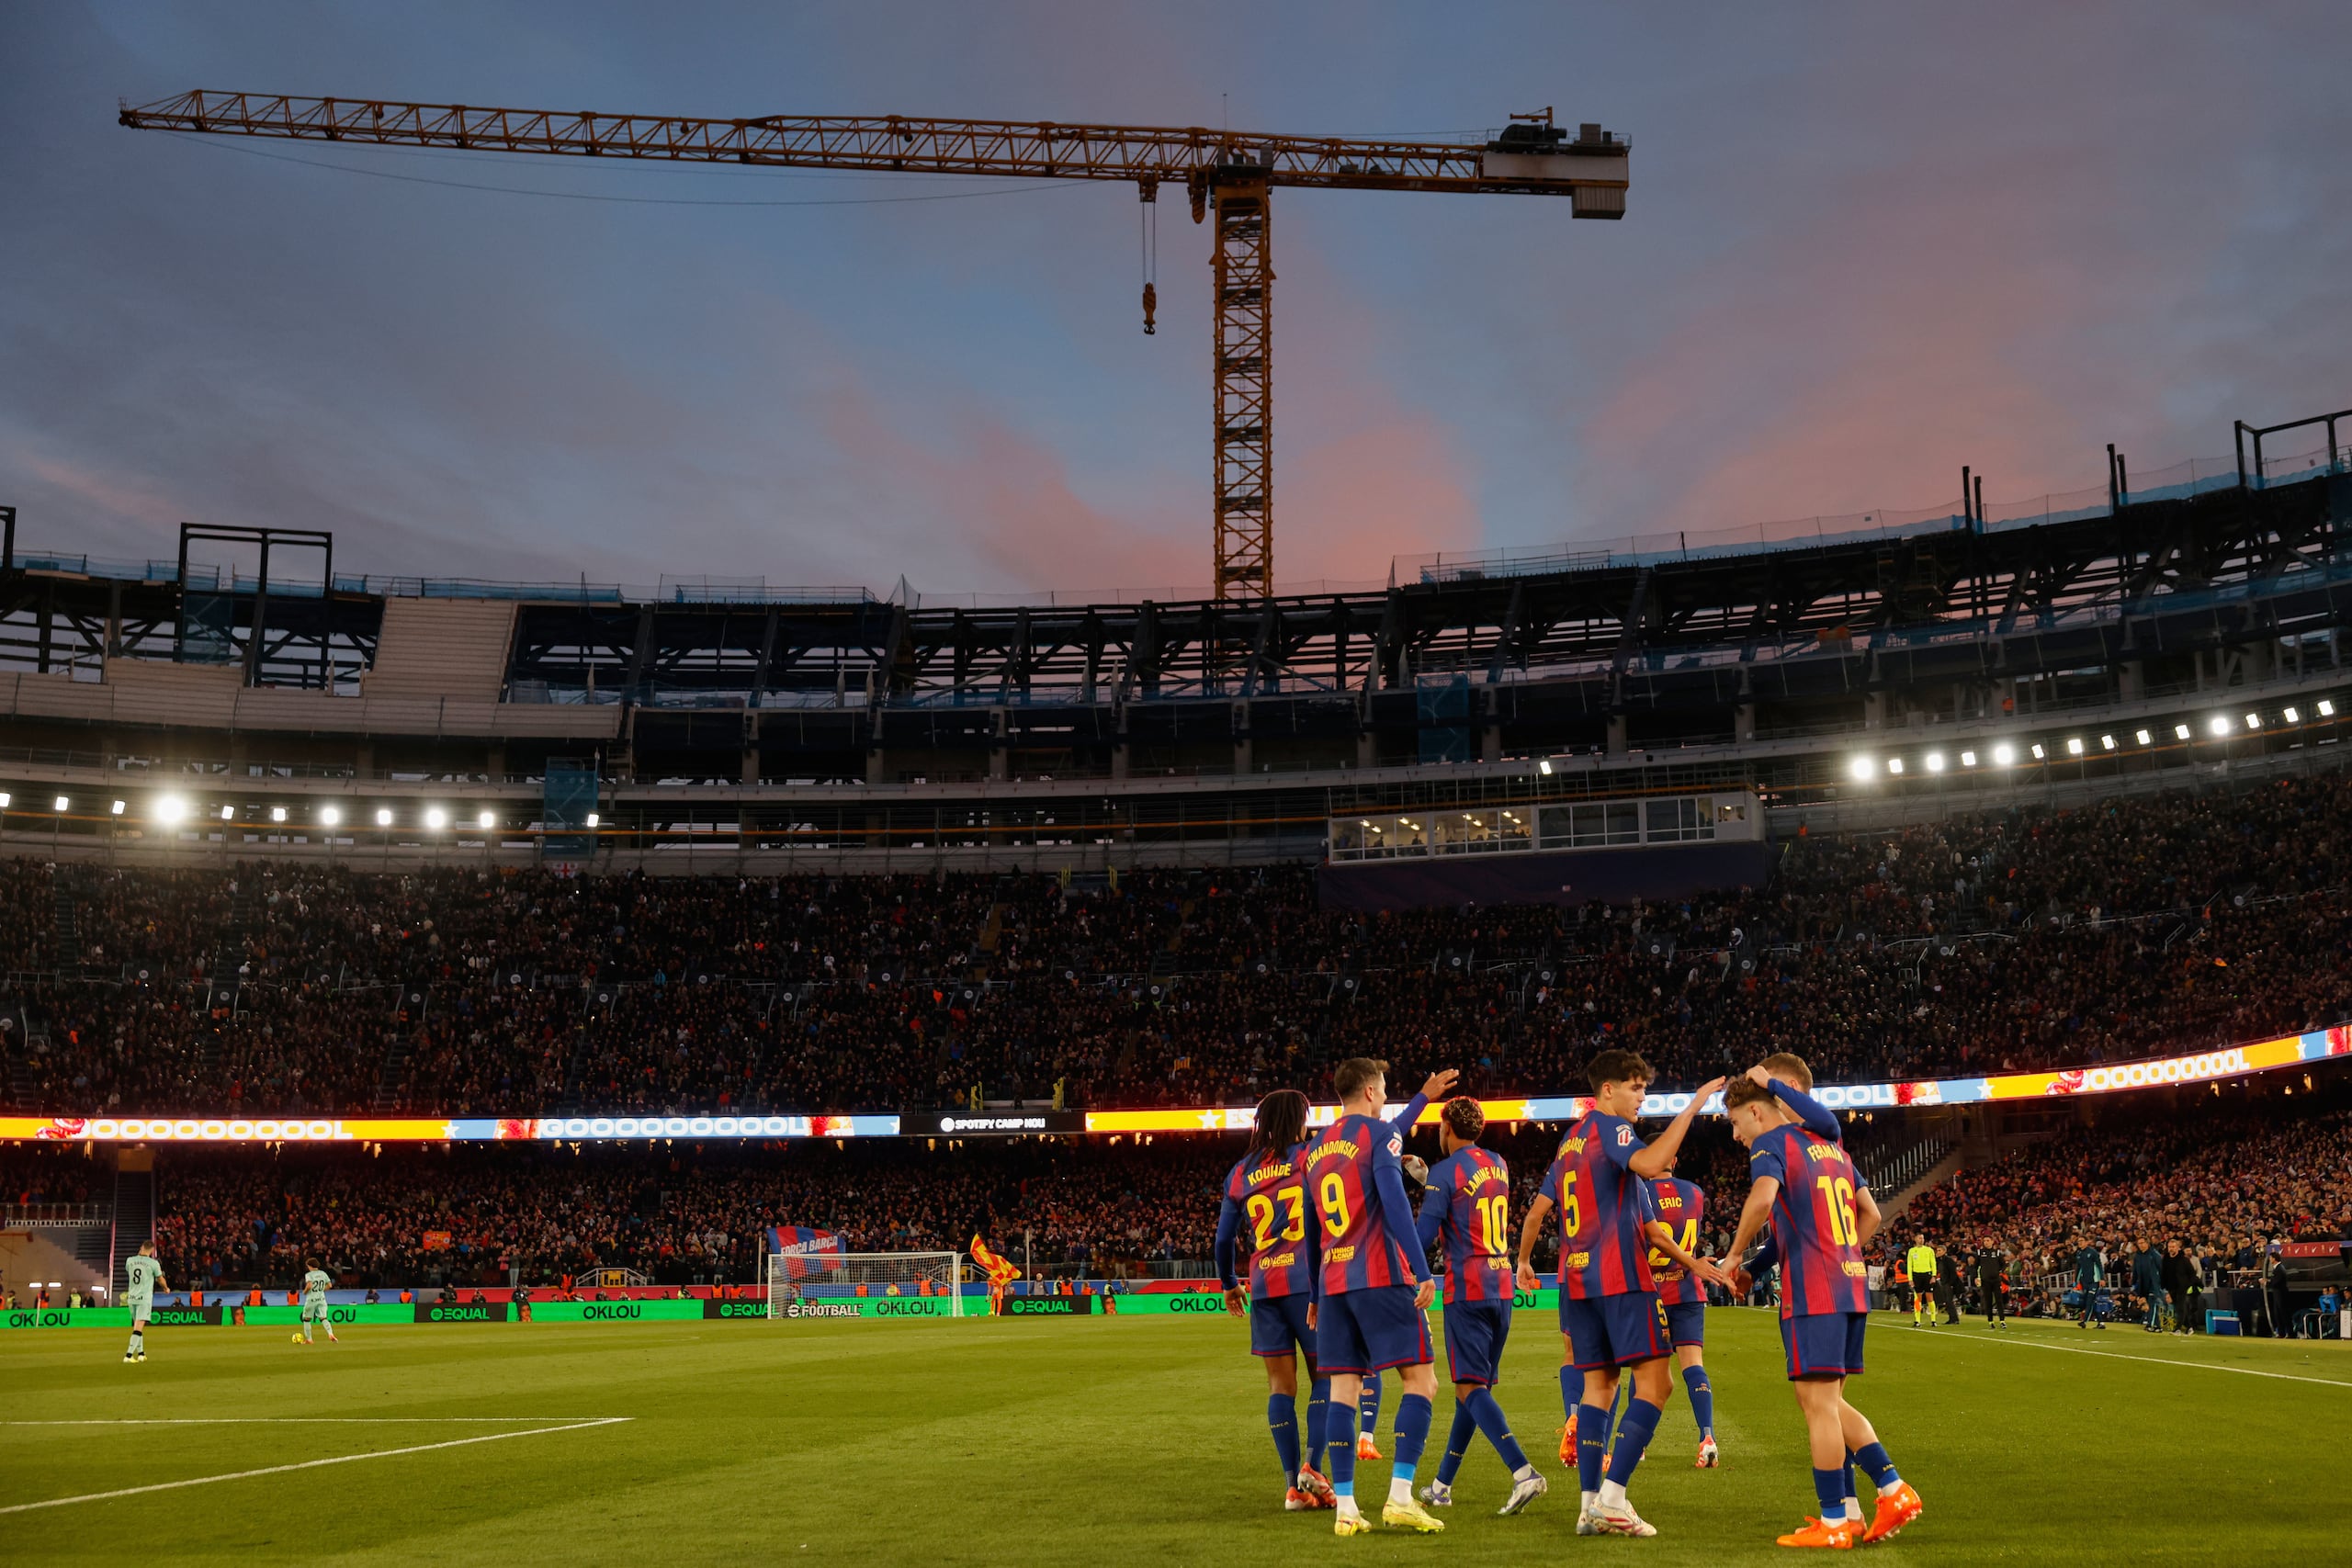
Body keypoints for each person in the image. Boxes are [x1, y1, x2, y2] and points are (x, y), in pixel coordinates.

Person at [1513, 1050, 1725, 1539]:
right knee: (1657, 1384)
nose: (1641, 1100)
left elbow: (1643, 1226)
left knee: (1599, 1389)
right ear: (1607, 1089)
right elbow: (1651, 1163)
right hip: (1621, 1279)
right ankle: (1613, 1497)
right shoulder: (1610, 1129)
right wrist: (1693, 1106)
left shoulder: (1569, 1143)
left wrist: (1524, 1262)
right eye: (1636, 1089)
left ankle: (1589, 1506)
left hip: (1579, 1283)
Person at [1715, 1071, 1924, 1549]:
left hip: (1814, 1292)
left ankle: (1862, 1508)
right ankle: (1850, 1513)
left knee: (1821, 1408)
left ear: (1755, 1110)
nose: (1735, 1133)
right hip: (1846, 1286)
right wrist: (1837, 1256)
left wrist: (1733, 1254)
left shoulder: (1771, 1145)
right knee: (1824, 1403)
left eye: (1734, 1121)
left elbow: (1764, 1199)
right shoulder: (1833, 1150)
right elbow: (1868, 1214)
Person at [1301, 1055, 1447, 1535]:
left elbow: (1309, 1228)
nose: (1387, 1098)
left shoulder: (1318, 1147)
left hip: (1333, 1282)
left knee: (1343, 1389)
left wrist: (1317, 1294)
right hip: (1382, 1277)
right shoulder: (1377, 1136)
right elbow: (1395, 1200)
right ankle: (1401, 1497)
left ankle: (1346, 1509)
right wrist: (1423, 1271)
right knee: (1421, 1382)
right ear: (1369, 1092)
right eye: (1384, 1090)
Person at [1412, 1096, 1546, 1516]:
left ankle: (1522, 1471)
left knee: (1470, 1388)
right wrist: (1429, 1183)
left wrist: (1424, 1190)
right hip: (1500, 1285)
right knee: (1473, 1390)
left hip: (1466, 1287)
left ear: (1447, 1127)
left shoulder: (1444, 1170)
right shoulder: (1498, 1163)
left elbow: (1424, 1235)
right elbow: (1470, 1199)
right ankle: (1440, 1486)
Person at [1216, 1088, 1337, 1512]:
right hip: (1309, 1283)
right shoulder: (1311, 1156)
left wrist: (1230, 1282)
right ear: (1298, 1120)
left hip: (1264, 1286)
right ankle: (1313, 1468)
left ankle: (1293, 1487)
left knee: (1279, 1387)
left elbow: (1223, 1239)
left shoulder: (1239, 1172)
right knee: (1327, 1377)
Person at [1646, 1149, 1720, 1468]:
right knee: (1693, 1365)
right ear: (1674, 1161)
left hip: (1651, 1290)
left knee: (1647, 1369)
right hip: (1689, 1287)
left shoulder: (1639, 1191)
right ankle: (1707, 1435)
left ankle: (1639, 1445)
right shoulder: (1695, 1192)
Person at [122, 1241, 164, 1363]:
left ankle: (141, 1354)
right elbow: (160, 1279)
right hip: (144, 1298)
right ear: (152, 1250)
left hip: (131, 1297)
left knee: (137, 1325)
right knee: (138, 1328)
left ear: (141, 1248)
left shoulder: (130, 1260)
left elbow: (129, 1270)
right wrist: (166, 1288)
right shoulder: (153, 1263)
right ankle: (128, 1356)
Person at [296, 1258, 339, 1346]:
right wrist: (321, 1290)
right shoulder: (323, 1273)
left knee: (307, 1319)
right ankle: (330, 1334)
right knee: (323, 1318)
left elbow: (309, 1285)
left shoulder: (309, 1275)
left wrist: (304, 1292)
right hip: (322, 1299)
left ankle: (309, 1340)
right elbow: (330, 1285)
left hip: (311, 1299)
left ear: (310, 1266)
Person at [1973, 1236, 2008, 1329]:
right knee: (1988, 1301)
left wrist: (2000, 1272)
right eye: (1984, 1241)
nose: (1986, 1242)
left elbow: (2004, 1264)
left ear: (1992, 1242)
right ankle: (1990, 1321)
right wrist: (1976, 1277)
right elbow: (1975, 1266)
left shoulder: (1997, 1253)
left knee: (1999, 1300)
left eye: (1988, 1240)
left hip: (1996, 1280)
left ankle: (2002, 1321)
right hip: (1985, 1281)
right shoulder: (1980, 1253)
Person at [2073, 1235, 2107, 1329]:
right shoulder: (2079, 1253)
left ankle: (2084, 1321)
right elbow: (2079, 1268)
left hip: (2094, 1281)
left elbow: (2099, 1265)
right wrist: (2076, 1281)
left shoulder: (2092, 1252)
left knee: (2089, 1300)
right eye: (2078, 1241)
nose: (2080, 1243)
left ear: (2087, 1242)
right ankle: (2101, 1323)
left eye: (2082, 1241)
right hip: (2085, 1281)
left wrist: (2102, 1278)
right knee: (2091, 1302)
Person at [1905, 1235, 1940, 1326]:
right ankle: (1917, 1320)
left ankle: (1933, 1320)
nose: (1922, 1240)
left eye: (1923, 1238)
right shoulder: (1912, 1251)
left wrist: (1933, 1275)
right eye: (1920, 1238)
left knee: (1930, 1297)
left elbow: (1933, 1263)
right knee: (1918, 1298)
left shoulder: (1929, 1250)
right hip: (1917, 1275)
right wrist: (1910, 1279)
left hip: (1927, 1275)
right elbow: (1909, 1265)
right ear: (1915, 1239)